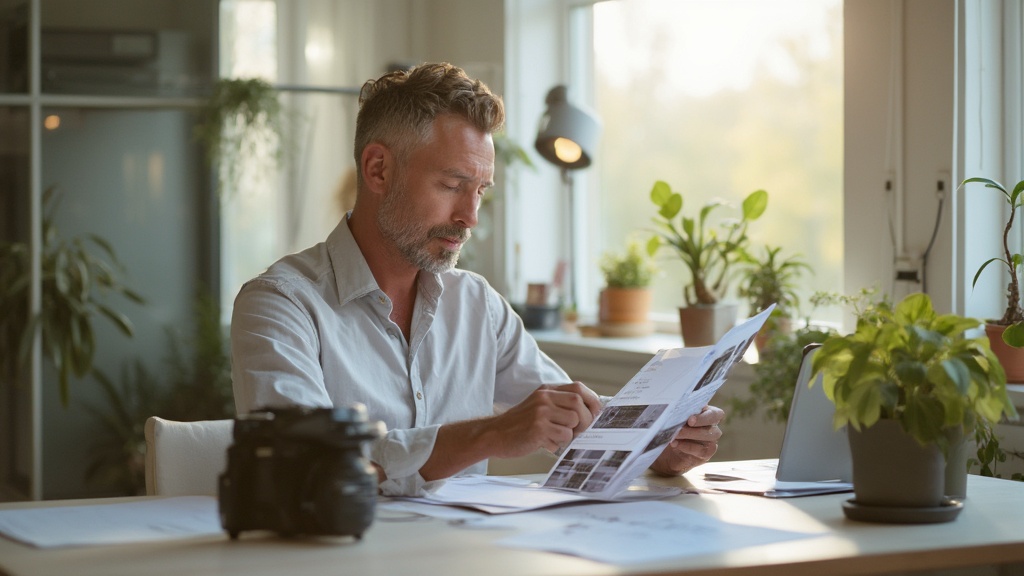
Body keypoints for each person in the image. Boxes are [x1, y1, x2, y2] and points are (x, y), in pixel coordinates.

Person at [230, 62, 725, 496]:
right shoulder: (279, 304)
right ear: (378, 169)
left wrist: (661, 440)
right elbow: (305, 465)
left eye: (480, 191)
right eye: (451, 185)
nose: (470, 216)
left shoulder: (477, 305)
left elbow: (569, 414)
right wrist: (489, 435)